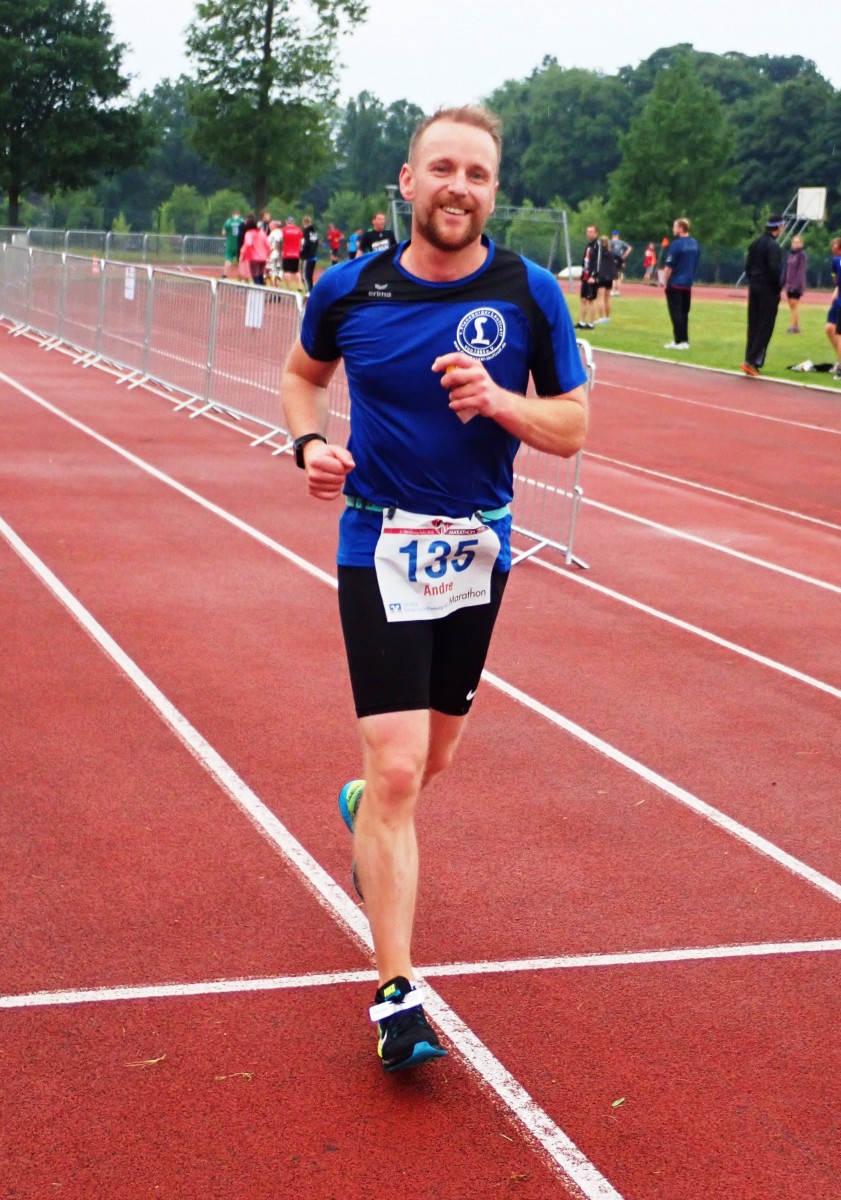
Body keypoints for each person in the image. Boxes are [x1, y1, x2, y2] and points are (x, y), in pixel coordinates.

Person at [279, 105, 588, 1074]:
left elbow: (573, 426)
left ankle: (362, 805)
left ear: (494, 192)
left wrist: (500, 402)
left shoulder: (529, 293)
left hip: (475, 551)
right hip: (377, 541)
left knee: (431, 760)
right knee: (399, 768)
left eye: (478, 174)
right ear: (408, 182)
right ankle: (396, 994)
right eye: (443, 168)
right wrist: (310, 444)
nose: (460, 187)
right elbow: (301, 376)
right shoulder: (349, 287)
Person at [741, 215, 785, 376]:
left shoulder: (755, 243)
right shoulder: (773, 246)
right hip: (767, 288)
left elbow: (747, 267)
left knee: (753, 323)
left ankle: (748, 358)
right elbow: (774, 270)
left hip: (754, 285)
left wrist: (753, 280)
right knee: (765, 325)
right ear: (778, 227)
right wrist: (777, 288)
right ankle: (752, 361)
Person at [662, 217, 701, 350]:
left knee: (676, 313)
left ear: (680, 228)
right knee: (684, 313)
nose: (673, 229)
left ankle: (680, 341)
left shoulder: (676, 245)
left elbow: (668, 267)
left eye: (675, 227)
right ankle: (683, 340)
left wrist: (664, 282)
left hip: (675, 283)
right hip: (687, 284)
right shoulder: (695, 244)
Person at [576, 224, 600, 329]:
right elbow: (585, 261)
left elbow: (598, 262)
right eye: (587, 232)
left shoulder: (597, 245)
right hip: (585, 275)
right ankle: (581, 322)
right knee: (583, 299)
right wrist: (582, 273)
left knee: (591, 300)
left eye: (591, 232)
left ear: (596, 233)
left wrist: (593, 276)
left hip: (592, 277)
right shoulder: (589, 245)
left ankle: (591, 323)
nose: (588, 234)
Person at [782, 235, 807, 333]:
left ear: (801, 244)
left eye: (798, 242)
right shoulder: (790, 254)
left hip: (797, 285)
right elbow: (786, 269)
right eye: (794, 242)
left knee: (794, 305)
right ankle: (796, 327)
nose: (796, 244)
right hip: (788, 284)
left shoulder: (802, 255)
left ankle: (792, 327)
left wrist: (796, 285)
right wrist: (782, 282)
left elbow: (801, 271)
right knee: (792, 306)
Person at [238, 214, 270, 286]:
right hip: (263, 258)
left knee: (255, 275)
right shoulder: (262, 233)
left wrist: (242, 254)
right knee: (261, 276)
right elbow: (267, 246)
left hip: (254, 258)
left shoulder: (249, 233)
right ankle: (262, 289)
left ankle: (259, 290)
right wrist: (267, 256)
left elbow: (248, 244)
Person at [827, 237, 841, 377]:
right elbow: (835, 280)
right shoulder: (835, 261)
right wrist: (836, 289)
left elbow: (835, 279)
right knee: (829, 328)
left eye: (835, 245)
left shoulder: (836, 261)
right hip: (838, 301)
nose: (832, 247)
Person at [596, 234, 616, 321]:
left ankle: (602, 317)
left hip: (601, 276)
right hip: (609, 277)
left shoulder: (598, 254)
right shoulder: (611, 253)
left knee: (600, 297)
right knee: (607, 298)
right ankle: (607, 317)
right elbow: (620, 259)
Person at [280, 216, 304, 291]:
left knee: (287, 271)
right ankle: (299, 286)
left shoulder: (284, 230)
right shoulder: (298, 230)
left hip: (286, 253)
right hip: (296, 254)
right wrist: (299, 250)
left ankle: (289, 288)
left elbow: (281, 241)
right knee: (296, 271)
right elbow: (301, 242)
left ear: (287, 222)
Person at [221, 208, 244, 280]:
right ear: (239, 215)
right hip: (240, 244)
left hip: (230, 244)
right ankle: (241, 277)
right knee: (241, 261)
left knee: (228, 259)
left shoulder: (228, 221)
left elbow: (223, 233)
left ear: (232, 214)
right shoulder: (242, 221)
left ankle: (225, 276)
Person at [300, 215, 319, 293]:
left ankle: (309, 292)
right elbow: (316, 243)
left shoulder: (306, 231)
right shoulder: (314, 231)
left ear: (304, 223)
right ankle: (311, 291)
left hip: (307, 257)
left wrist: (301, 253)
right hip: (313, 256)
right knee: (310, 277)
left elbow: (305, 244)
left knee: (304, 276)